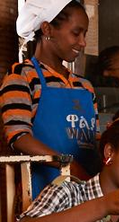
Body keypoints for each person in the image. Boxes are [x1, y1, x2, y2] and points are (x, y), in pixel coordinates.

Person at [2, 0, 101, 198]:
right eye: (76, 33)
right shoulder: (22, 76)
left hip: (86, 190)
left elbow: (95, 141)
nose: (82, 42)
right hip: (42, 193)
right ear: (47, 29)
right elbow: (19, 137)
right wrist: (67, 165)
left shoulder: (85, 87)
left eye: (84, 34)